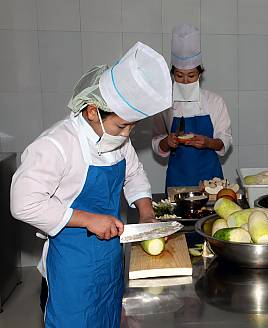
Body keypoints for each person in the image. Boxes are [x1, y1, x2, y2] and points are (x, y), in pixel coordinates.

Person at [10, 42, 172, 327]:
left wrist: (146, 212)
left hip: (109, 260)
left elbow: (133, 174)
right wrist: (88, 220)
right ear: (91, 111)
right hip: (72, 266)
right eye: (121, 126)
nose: (126, 134)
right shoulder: (56, 144)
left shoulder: (118, 140)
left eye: (132, 127)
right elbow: (23, 203)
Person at [152, 24, 232, 189]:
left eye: (191, 76)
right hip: (177, 180)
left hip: (211, 180)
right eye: (180, 76)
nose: (186, 81)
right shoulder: (164, 105)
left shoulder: (215, 101)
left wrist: (208, 143)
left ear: (200, 75)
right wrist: (167, 141)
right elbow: (157, 142)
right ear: (173, 74)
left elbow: (225, 140)